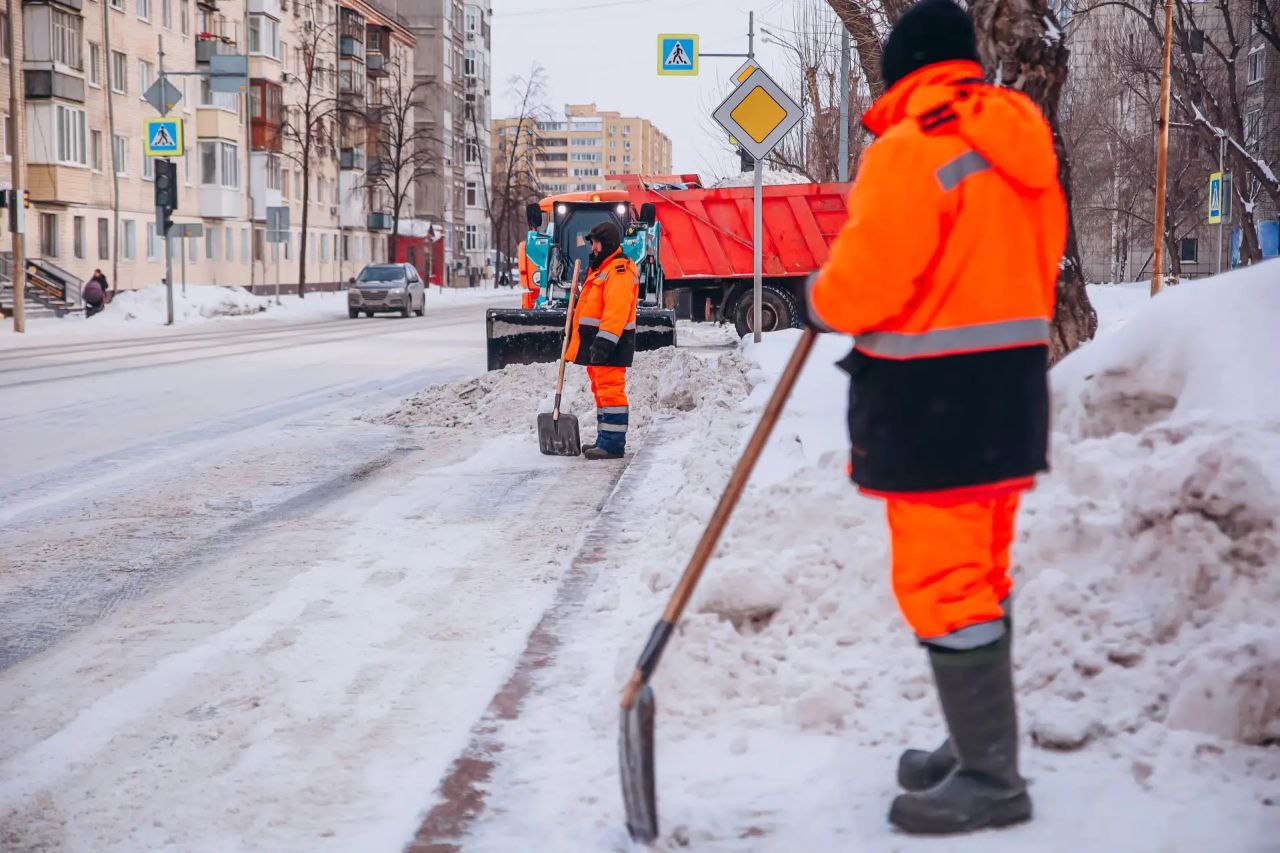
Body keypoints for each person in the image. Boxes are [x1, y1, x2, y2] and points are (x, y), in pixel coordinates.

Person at [806, 0, 1067, 836]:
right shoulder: (1020, 146)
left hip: (935, 403)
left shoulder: (913, 149)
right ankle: (974, 744)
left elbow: (869, 279)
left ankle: (992, 775)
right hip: (1009, 397)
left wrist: (820, 296)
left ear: (901, 71)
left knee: (944, 582)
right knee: (979, 575)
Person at [565, 221, 639, 460]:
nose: (593, 248)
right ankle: (604, 439)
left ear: (606, 244)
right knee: (601, 391)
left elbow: (616, 310)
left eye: (596, 243)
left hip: (611, 344)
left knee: (611, 392)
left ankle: (613, 445)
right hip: (598, 343)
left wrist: (605, 343)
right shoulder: (601, 269)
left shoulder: (619, 270)